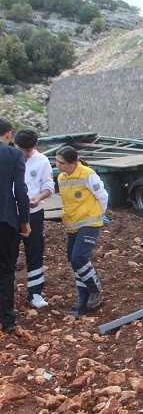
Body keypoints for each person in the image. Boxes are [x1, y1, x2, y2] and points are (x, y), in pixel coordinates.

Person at [54, 146, 107, 317]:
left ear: (72, 163)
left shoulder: (87, 174)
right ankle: (82, 299)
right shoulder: (61, 178)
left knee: (79, 258)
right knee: (73, 260)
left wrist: (100, 214)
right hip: (72, 225)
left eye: (61, 163)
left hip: (90, 222)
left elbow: (102, 195)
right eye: (56, 161)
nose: (58, 165)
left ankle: (94, 290)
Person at [13, 129, 54, 308]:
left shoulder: (42, 161)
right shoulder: (8, 157)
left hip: (34, 213)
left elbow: (48, 185)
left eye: (28, 151)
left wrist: (38, 198)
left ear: (35, 147)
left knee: (35, 251)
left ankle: (35, 293)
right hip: (11, 213)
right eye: (21, 149)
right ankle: (6, 293)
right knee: (8, 253)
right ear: (14, 144)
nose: (24, 154)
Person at [0, 118, 31, 334]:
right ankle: (7, 320)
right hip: (6, 219)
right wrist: (25, 220)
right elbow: (20, 190)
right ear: (9, 134)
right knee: (6, 269)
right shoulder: (13, 155)